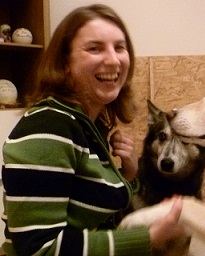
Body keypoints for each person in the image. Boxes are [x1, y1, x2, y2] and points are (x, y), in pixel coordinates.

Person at [1, 4, 184, 256]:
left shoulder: (88, 125)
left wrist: (129, 174)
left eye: (119, 47)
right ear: (65, 63)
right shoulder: (48, 128)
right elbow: (38, 250)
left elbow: (88, 207)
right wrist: (148, 238)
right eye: (94, 48)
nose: (113, 59)